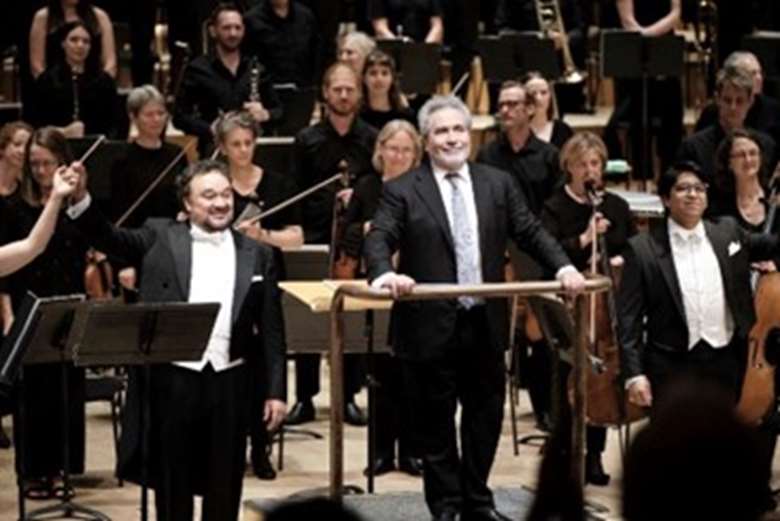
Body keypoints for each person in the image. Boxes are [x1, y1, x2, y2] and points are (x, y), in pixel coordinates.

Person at [364, 95, 585, 521]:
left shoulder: (497, 183)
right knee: (436, 425)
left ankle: (478, 502)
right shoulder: (402, 190)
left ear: (471, 134)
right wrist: (382, 274)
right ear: (427, 141)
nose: (452, 138)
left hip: (484, 323)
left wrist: (564, 267)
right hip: (428, 326)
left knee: (484, 419)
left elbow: (531, 231)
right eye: (442, 131)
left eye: (459, 130)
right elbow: (380, 238)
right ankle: (446, 507)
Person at [67, 159, 287, 521]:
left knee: (225, 484)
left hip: (230, 381)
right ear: (187, 203)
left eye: (226, 194)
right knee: (172, 486)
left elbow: (273, 328)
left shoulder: (259, 254)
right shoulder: (159, 236)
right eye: (209, 195)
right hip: (173, 381)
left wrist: (276, 391)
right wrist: (79, 197)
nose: (220, 203)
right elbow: (107, 236)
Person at [540, 132, 636, 486]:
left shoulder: (615, 207)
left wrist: (617, 257)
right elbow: (548, 251)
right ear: (569, 167)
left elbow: (632, 248)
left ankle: (594, 453)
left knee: (601, 376)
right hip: (570, 305)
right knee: (569, 373)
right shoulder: (554, 207)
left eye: (595, 163)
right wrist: (584, 239)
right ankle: (564, 450)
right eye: (582, 164)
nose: (589, 170)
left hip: (605, 306)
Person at [0, 127, 92, 500]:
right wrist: (7, 316)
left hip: (69, 304)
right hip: (29, 305)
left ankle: (62, 470)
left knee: (65, 390)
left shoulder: (76, 203)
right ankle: (33, 471)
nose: (39, 171)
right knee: (32, 394)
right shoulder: (10, 207)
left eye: (46, 163)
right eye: (33, 163)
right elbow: (26, 252)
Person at [287, 61, 378, 426]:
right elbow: (295, 192)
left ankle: (349, 395)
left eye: (350, 88)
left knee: (353, 315)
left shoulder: (371, 139)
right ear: (325, 93)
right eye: (336, 88)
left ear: (358, 93)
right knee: (309, 313)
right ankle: (305, 398)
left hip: (354, 241)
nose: (343, 94)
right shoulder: (306, 140)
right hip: (314, 236)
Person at [215, 110, 303, 479]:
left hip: (263, 286)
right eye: (235, 144)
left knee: (264, 366)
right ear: (222, 147)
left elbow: (296, 238)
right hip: (223, 285)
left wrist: (261, 236)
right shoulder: (214, 186)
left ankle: (261, 446)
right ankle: (227, 446)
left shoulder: (276, 184)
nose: (243, 150)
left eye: (249, 143)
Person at [341, 119, 424, 477]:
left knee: (411, 375)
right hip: (374, 290)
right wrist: (362, 232)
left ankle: (411, 452)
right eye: (393, 148)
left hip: (413, 289)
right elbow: (345, 235)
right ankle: (380, 452)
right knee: (379, 376)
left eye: (407, 150)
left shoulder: (424, 188)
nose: (399, 155)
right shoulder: (367, 187)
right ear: (381, 151)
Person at [173, 2, 282, 156]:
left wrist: (265, 114)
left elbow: (279, 111)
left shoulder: (256, 68)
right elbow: (179, 117)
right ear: (213, 31)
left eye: (238, 28)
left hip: (250, 151)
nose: (233, 33)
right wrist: (210, 128)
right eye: (226, 28)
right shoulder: (197, 69)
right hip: (214, 151)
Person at [602, 0, 683, 176]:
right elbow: (627, 20)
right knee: (638, 119)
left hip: (663, 51)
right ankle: (641, 176)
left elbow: (675, 13)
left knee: (672, 119)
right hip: (635, 55)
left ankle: (670, 177)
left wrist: (649, 35)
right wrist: (644, 36)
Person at [476, 80, 561, 216]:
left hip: (538, 232)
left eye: (512, 104)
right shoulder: (486, 155)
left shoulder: (550, 155)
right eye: (501, 105)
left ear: (530, 109)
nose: (504, 110)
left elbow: (557, 204)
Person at [677, 67, 776, 184]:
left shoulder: (766, 146)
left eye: (740, 101)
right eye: (727, 100)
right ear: (717, 99)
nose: (733, 107)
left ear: (750, 102)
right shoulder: (693, 147)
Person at [29, 20, 118, 138]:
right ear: (63, 43)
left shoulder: (104, 81)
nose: (80, 45)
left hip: (97, 147)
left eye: (86, 41)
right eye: (74, 40)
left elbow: (114, 123)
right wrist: (64, 132)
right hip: (55, 147)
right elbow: (36, 124)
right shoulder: (47, 80)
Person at [694, 51, 780, 137]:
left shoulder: (774, 110)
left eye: (760, 73)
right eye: (752, 73)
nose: (759, 78)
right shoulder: (712, 112)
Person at [243, 0, 322, 89]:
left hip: (302, 90)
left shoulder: (306, 17)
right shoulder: (251, 20)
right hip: (266, 92)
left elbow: (316, 56)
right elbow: (246, 60)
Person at [28, 0, 116, 79]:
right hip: (54, 89)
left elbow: (110, 62)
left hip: (95, 87)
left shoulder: (100, 16)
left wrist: (103, 86)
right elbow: (37, 65)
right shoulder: (43, 17)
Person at [708, 129, 773, 229]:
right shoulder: (718, 205)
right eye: (740, 155)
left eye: (753, 153)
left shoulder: (773, 195)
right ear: (729, 163)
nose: (748, 159)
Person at [360, 50, 416, 131]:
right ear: (364, 78)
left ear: (392, 78)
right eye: (373, 73)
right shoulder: (355, 115)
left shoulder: (405, 116)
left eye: (384, 73)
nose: (379, 79)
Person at [524, 72, 574, 150]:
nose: (539, 98)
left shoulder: (563, 130)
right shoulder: (517, 132)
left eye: (543, 92)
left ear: (550, 97)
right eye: (533, 93)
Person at [367, 0, 444, 43]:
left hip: (424, 47)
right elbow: (380, 27)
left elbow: (437, 26)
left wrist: (425, 49)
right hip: (392, 47)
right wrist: (400, 45)